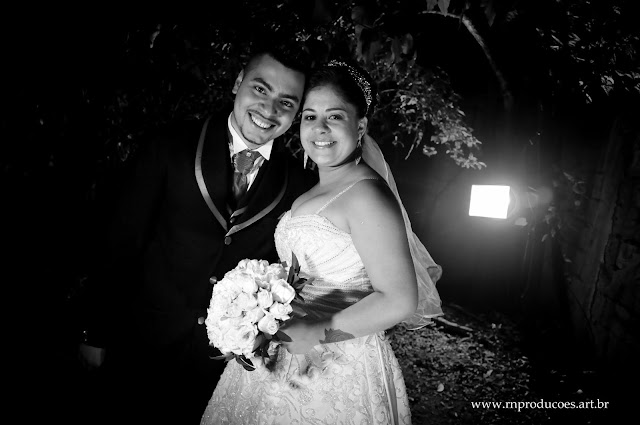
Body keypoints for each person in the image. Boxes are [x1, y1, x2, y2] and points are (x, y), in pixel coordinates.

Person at [76, 44, 316, 425]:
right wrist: (95, 330)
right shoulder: (171, 144)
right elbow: (121, 241)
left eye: (286, 102)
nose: (269, 110)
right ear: (238, 82)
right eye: (260, 89)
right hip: (140, 341)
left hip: (219, 369)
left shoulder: (299, 184)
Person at [200, 60, 443, 424]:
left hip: (337, 363)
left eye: (335, 116)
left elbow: (399, 299)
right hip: (286, 348)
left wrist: (317, 332)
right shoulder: (311, 191)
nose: (320, 128)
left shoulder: (367, 196)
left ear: (360, 126)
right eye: (310, 116)